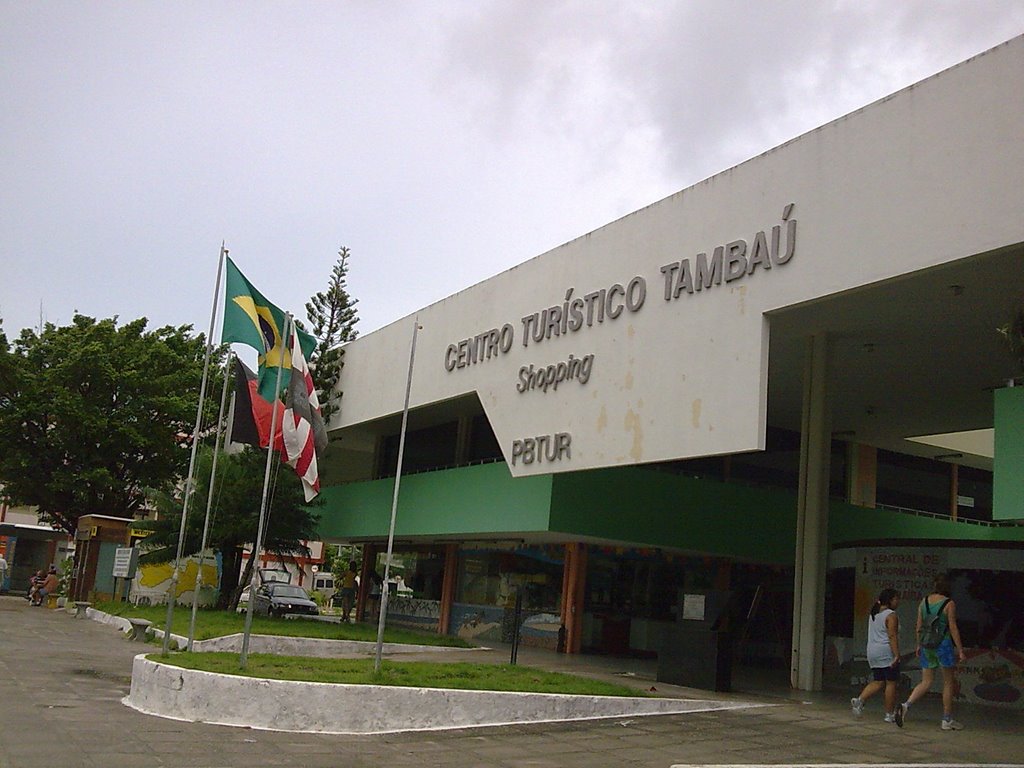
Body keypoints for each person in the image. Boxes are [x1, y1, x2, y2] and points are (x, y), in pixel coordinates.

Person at [895, 574, 966, 730]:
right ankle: (947, 719)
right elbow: (953, 628)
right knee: (948, 682)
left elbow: (919, 627)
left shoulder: (924, 602)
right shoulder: (949, 604)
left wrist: (919, 645)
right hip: (944, 645)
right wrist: (960, 650)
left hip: (927, 645)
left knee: (926, 681)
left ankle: (906, 705)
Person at [851, 587, 902, 723]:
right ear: (890, 600)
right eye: (896, 599)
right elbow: (892, 635)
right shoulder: (891, 615)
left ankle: (860, 700)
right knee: (891, 682)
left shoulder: (874, 614)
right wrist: (897, 655)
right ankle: (889, 714)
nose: (898, 602)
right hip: (886, 651)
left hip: (872, 651)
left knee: (878, 681)